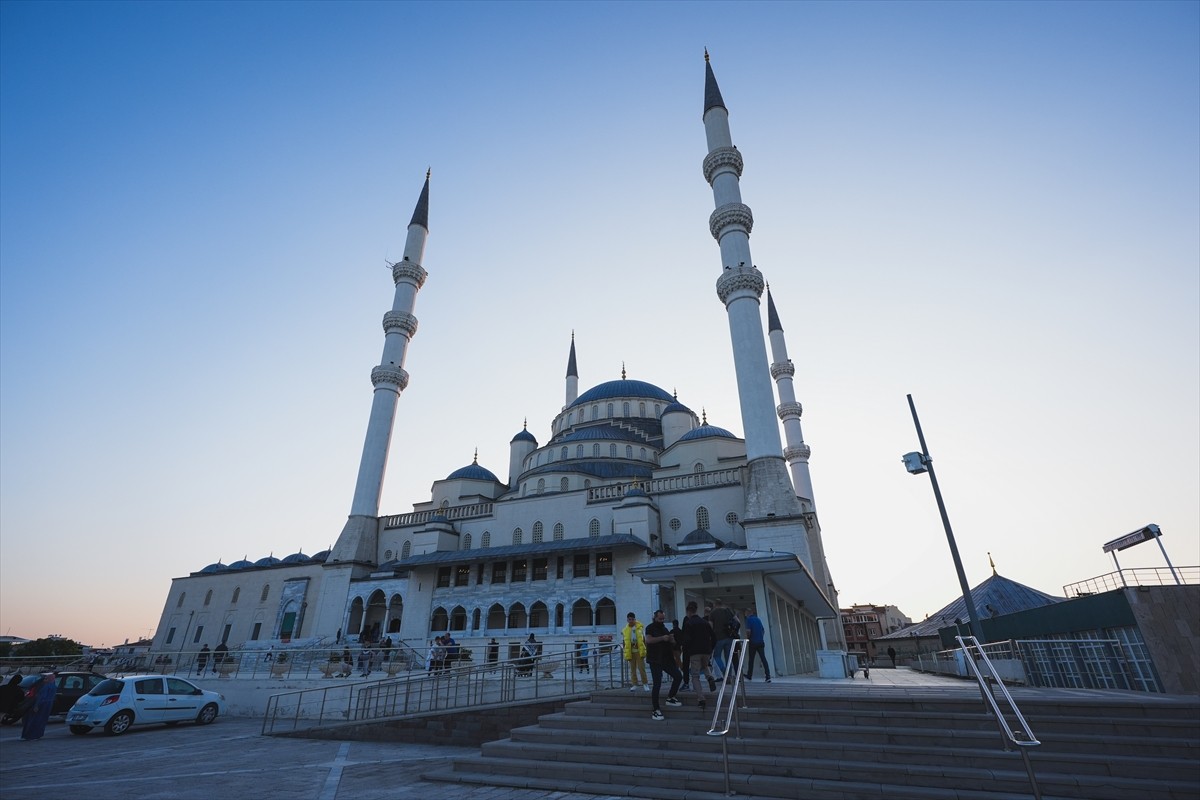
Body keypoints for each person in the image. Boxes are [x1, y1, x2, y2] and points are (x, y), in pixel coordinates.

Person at [645, 609, 684, 720]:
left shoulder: (664, 628)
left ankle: (671, 697)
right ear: (655, 618)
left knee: (678, 676)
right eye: (660, 619)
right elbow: (648, 640)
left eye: (663, 619)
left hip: (666, 659)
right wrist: (662, 638)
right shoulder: (650, 628)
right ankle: (655, 709)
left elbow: (672, 643)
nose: (662, 621)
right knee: (657, 683)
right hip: (655, 659)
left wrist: (672, 640)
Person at [681, 601, 716, 710]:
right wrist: (711, 648)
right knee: (705, 666)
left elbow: (686, 640)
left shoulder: (689, 623)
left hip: (694, 652)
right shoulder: (705, 622)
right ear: (696, 610)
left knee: (695, 676)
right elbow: (714, 637)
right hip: (706, 650)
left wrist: (686, 650)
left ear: (688, 611)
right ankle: (710, 677)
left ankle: (701, 699)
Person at [20, 673, 57, 741]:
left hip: (42, 704)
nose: (44, 680)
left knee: (35, 720)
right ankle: (37, 734)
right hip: (48, 705)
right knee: (42, 721)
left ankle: (30, 735)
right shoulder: (54, 686)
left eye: (46, 678)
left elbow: (41, 697)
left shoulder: (45, 686)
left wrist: (36, 705)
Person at [742, 607, 771, 683]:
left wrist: (748, 638)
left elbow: (748, 631)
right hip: (760, 642)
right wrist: (760, 637)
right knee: (763, 658)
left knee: (751, 659)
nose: (745, 615)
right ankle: (768, 676)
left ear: (747, 613)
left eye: (745, 614)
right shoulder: (758, 619)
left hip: (753, 642)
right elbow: (763, 630)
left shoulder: (749, 620)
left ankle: (749, 675)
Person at [709, 598, 735, 680]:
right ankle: (729, 676)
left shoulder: (712, 613)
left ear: (715, 604)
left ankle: (724, 671)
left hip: (718, 638)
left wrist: (710, 637)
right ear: (722, 604)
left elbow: (710, 626)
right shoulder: (728, 611)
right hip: (729, 637)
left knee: (716, 656)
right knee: (728, 658)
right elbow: (737, 621)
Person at [622, 612, 648, 692]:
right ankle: (634, 684)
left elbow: (644, 639)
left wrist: (646, 650)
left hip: (639, 651)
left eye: (632, 619)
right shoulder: (625, 630)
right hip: (630, 651)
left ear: (635, 619)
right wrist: (625, 651)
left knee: (641, 669)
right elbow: (624, 641)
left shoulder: (640, 628)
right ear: (627, 620)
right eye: (629, 619)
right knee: (632, 670)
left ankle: (645, 683)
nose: (631, 621)